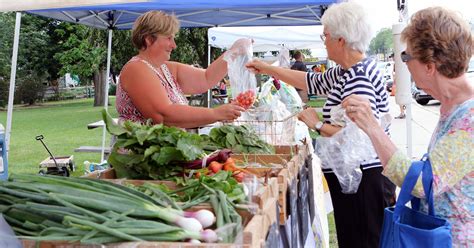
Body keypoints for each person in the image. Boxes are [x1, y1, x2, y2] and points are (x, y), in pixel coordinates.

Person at [246, 2, 395, 247]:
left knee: (364, 240)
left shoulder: (359, 77)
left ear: (341, 39)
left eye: (325, 35)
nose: (323, 40)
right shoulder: (346, 71)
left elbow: (356, 135)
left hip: (365, 181)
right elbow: (309, 80)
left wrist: (316, 125)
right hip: (356, 178)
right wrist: (266, 68)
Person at [342, 7, 473, 246]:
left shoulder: (470, 118)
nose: (404, 64)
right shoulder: (453, 109)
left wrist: (373, 127)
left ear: (429, 65)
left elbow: (424, 183)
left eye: (405, 56)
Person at [116, 11, 246, 128]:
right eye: (168, 38)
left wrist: (234, 52)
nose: (174, 45)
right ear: (149, 39)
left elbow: (206, 78)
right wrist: (216, 113)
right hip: (139, 153)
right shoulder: (136, 69)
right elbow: (163, 115)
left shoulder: (166, 68)